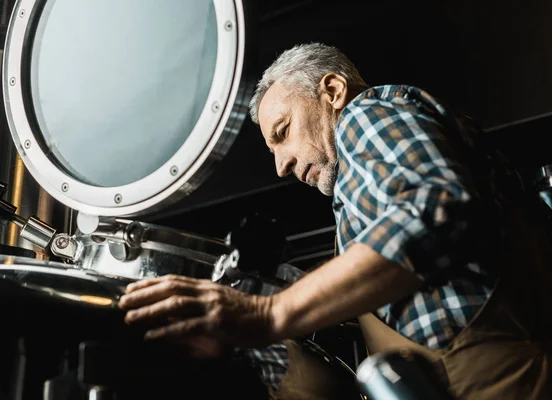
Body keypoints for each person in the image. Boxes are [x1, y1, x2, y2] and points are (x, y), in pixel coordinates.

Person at [118, 43, 552, 399]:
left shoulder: (368, 113)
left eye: (283, 132)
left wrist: (268, 313)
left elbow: (434, 208)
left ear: (333, 91)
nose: (281, 167)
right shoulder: (359, 202)